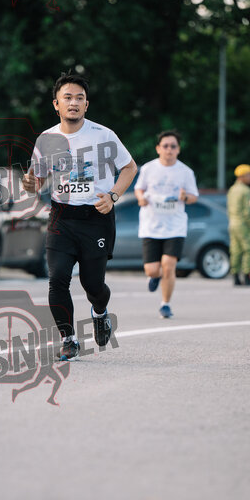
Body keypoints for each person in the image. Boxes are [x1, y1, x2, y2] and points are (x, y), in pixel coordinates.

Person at [23, 71, 137, 361]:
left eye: (79, 98)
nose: (73, 103)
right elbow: (38, 180)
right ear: (56, 104)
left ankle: (100, 312)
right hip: (61, 217)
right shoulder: (46, 139)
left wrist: (112, 196)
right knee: (57, 278)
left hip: (96, 217)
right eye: (67, 98)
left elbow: (129, 168)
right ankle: (68, 339)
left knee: (93, 285)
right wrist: (30, 184)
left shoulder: (103, 135)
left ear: (86, 104)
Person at [134, 130, 198, 318]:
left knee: (168, 266)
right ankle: (154, 276)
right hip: (151, 225)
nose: (169, 149)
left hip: (175, 226)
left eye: (173, 146)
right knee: (152, 269)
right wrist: (140, 198)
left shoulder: (185, 172)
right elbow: (139, 189)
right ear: (158, 148)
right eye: (165, 146)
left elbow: (194, 197)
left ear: (178, 150)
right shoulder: (148, 169)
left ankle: (165, 304)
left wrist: (185, 197)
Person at [227, 164, 250, 286]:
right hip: (243, 224)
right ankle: (247, 276)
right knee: (249, 249)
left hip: (232, 223)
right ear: (242, 176)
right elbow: (247, 212)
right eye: (249, 175)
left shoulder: (232, 189)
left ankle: (235, 277)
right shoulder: (246, 191)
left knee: (235, 250)